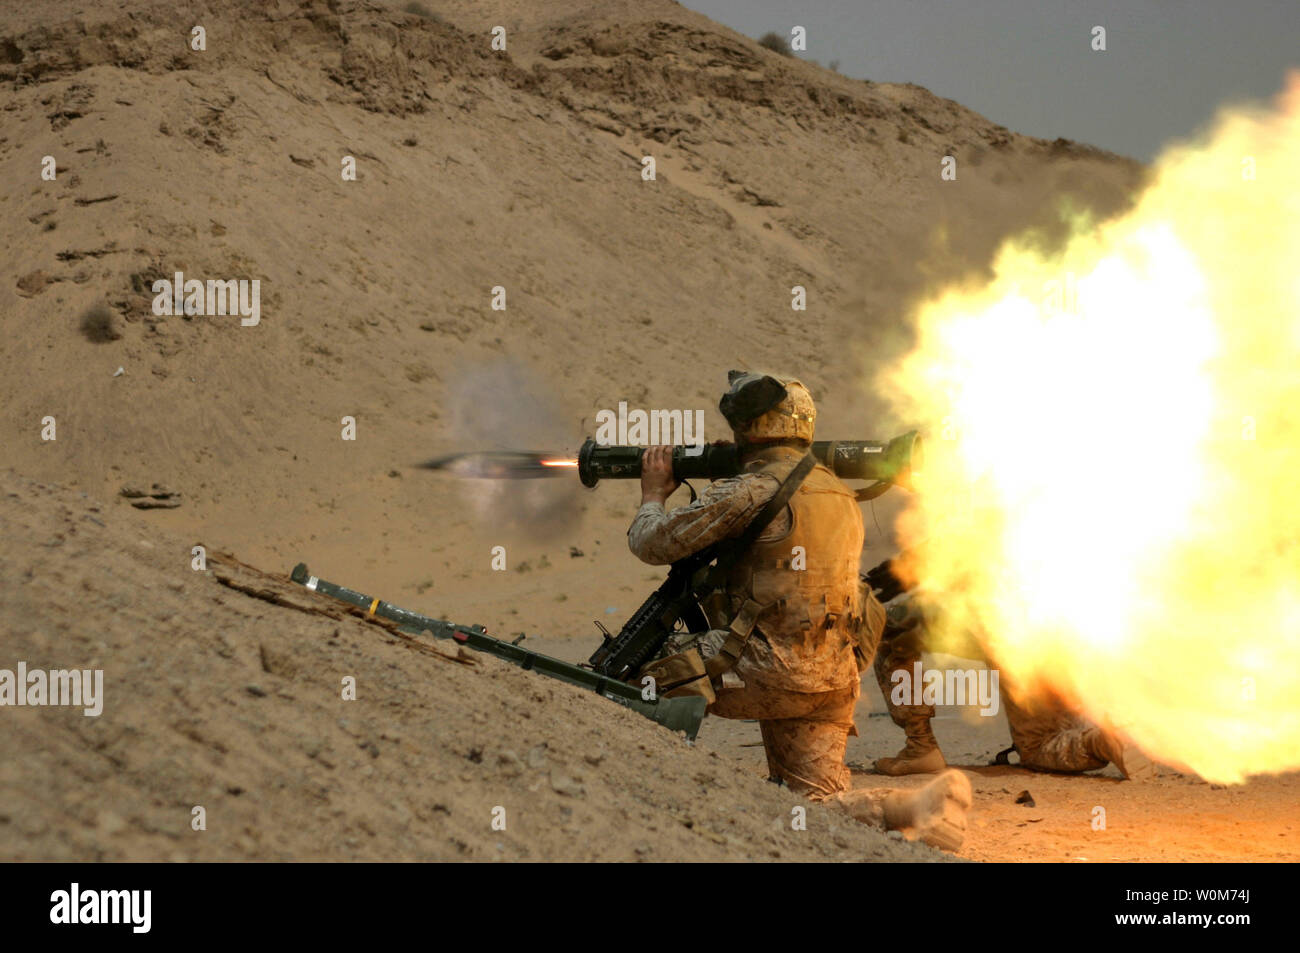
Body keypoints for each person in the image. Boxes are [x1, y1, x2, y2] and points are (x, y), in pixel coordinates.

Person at [627, 371, 971, 851]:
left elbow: (653, 542)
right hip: (831, 678)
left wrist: (653, 495)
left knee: (625, 679)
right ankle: (919, 806)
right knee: (813, 806)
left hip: (758, 669)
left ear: (751, 428)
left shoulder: (750, 489)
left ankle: (638, 806)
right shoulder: (840, 493)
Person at [872, 596, 1154, 779]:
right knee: (1055, 733)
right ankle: (1105, 738)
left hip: (1006, 622)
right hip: (1066, 625)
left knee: (888, 627)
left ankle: (920, 747)